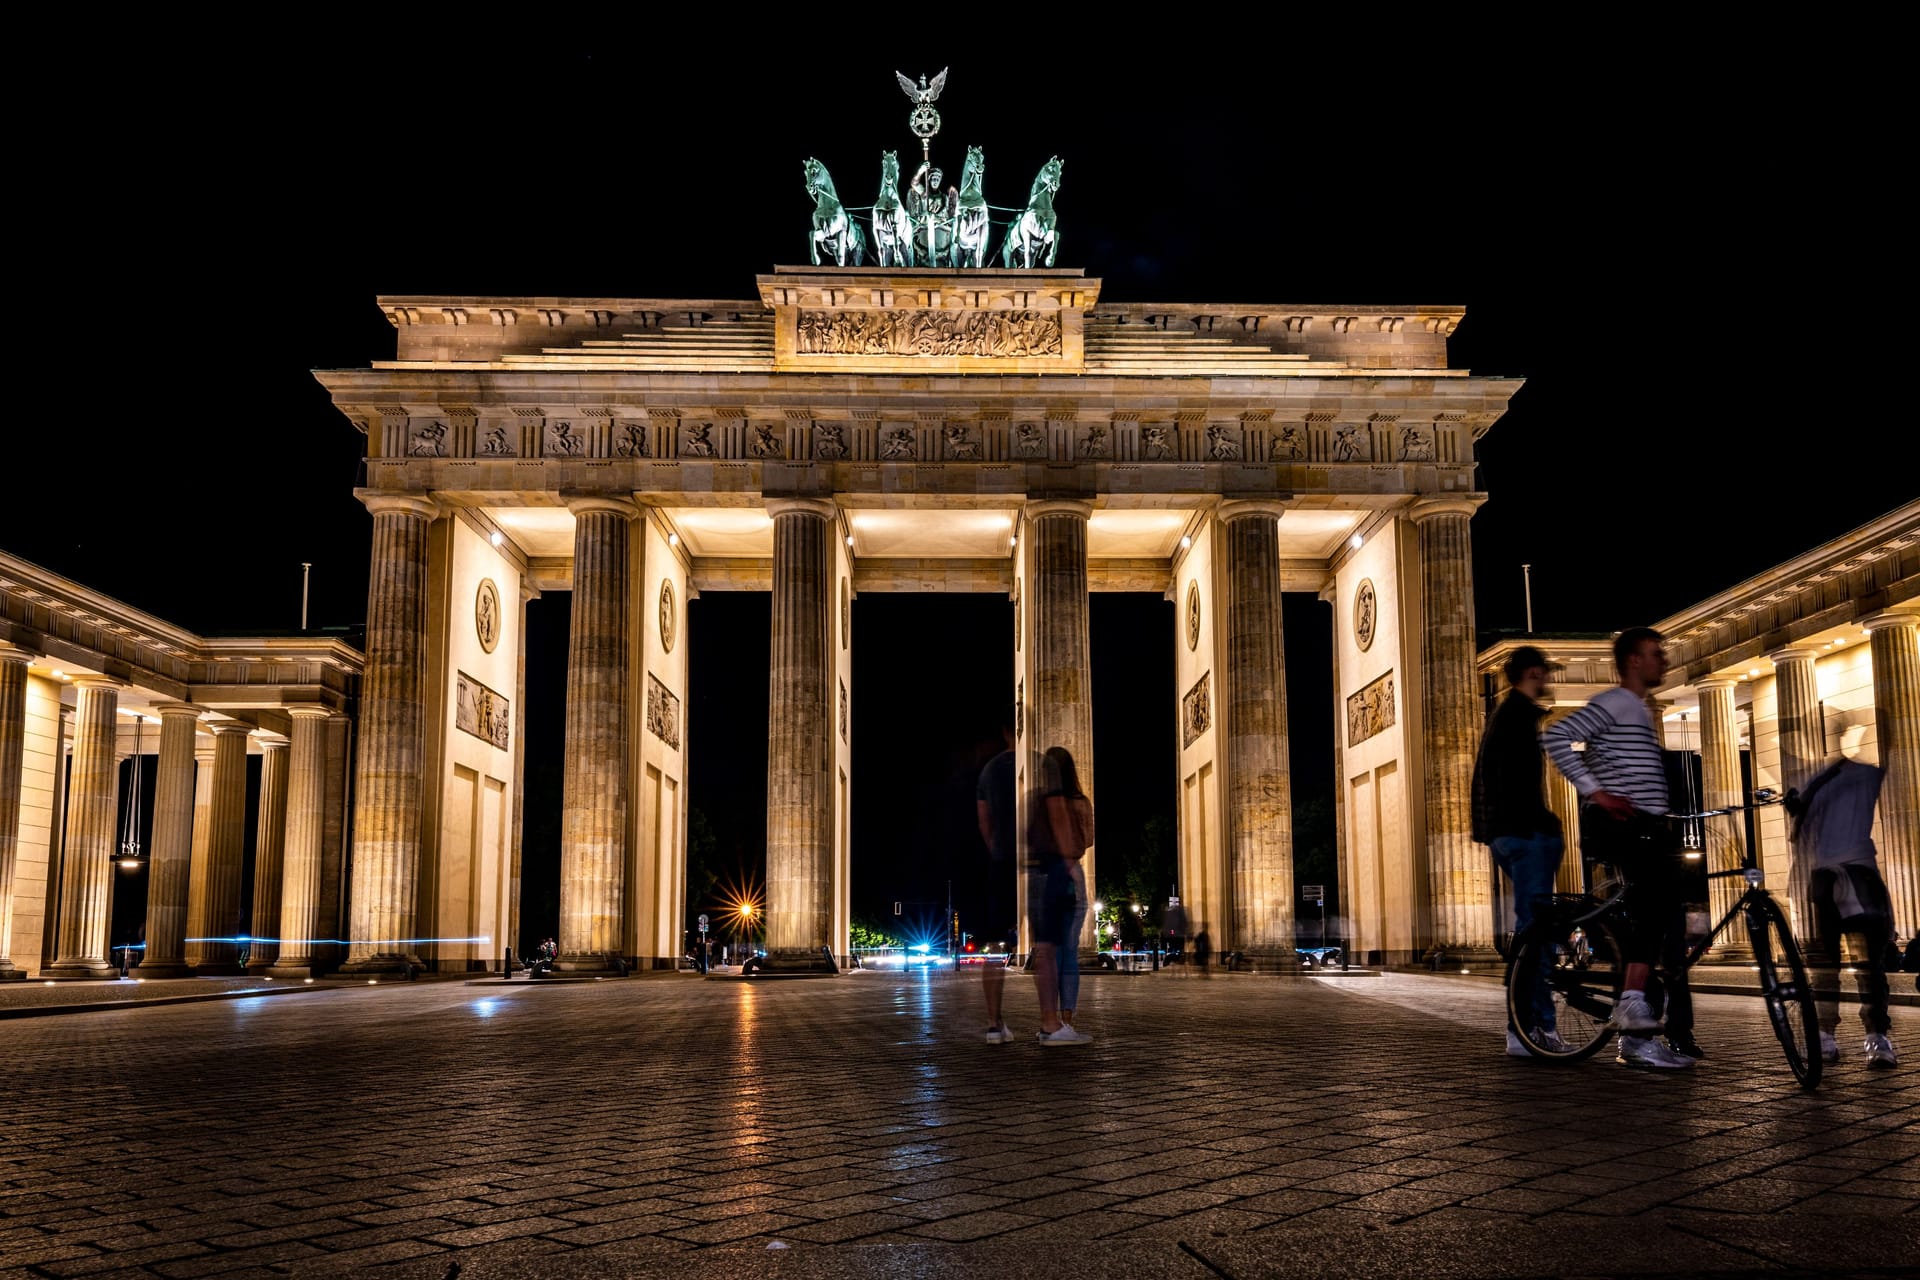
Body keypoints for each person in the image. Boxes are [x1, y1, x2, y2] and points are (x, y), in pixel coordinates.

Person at [1543, 627, 1697, 1070]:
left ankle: (1636, 1035)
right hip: (1618, 822)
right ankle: (1631, 1003)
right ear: (1633, 660)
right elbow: (1556, 737)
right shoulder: (1616, 702)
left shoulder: (1640, 709)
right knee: (1656, 903)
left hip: (1647, 824)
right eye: (1656, 654)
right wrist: (1597, 791)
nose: (1664, 662)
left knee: (1663, 913)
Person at [1471, 645, 1570, 1057]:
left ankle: (1525, 1026)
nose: (1548, 679)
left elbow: (1486, 780)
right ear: (1532, 672)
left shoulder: (1502, 716)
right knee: (1538, 931)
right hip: (1525, 832)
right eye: (1545, 672)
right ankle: (1534, 1028)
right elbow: (1519, 785)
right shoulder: (1519, 718)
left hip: (1505, 833)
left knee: (1532, 928)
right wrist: (1547, 825)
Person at [1789, 727, 1900, 1068]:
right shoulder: (1845, 776)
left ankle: (1847, 1037)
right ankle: (1867, 1037)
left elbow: (1798, 830)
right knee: (1854, 965)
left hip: (1843, 874)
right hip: (1845, 875)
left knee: (1842, 964)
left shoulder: (1841, 776)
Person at [1029, 745, 1093, 1045]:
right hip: (1071, 876)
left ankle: (1049, 1019)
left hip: (1041, 876)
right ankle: (1066, 1021)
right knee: (1069, 952)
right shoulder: (1081, 803)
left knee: (1048, 953)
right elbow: (1088, 839)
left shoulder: (1036, 802)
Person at [974, 711, 1019, 1043]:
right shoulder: (1037, 764)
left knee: (992, 946)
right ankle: (1052, 1022)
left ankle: (994, 1023)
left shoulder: (989, 771)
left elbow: (984, 823)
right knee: (1047, 945)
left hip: (1001, 863)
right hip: (1036, 862)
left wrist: (998, 851)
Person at [1163, 895, 1188, 968]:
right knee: (1177, 949)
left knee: (1175, 949)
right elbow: (1184, 922)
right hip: (1177, 935)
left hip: (1174, 935)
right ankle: (1175, 959)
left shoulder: (1170, 911)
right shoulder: (1178, 911)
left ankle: (1172, 960)